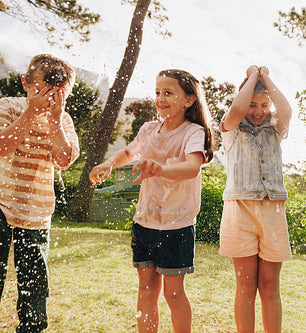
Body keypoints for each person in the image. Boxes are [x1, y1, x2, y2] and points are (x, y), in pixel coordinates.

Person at [89, 69, 213, 333]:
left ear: (188, 100)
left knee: (174, 294)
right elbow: (128, 152)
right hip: (144, 223)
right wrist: (110, 163)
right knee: (146, 290)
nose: (160, 98)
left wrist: (160, 169)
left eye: (168, 93)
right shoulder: (148, 130)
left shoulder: (193, 132)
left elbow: (192, 167)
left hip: (176, 226)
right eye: (158, 92)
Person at [0, 54, 79, 332]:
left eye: (59, 95)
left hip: (36, 212)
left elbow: (64, 159)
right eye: (43, 91)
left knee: (35, 289)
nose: (50, 100)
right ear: (25, 84)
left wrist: (55, 120)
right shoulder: (8, 106)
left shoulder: (64, 121)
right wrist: (30, 113)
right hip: (0, 204)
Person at [218, 65, 292, 333]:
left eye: (263, 105)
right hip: (240, 210)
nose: (258, 111)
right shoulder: (231, 129)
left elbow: (285, 110)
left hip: (272, 211)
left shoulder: (275, 128)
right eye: (252, 104)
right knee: (246, 284)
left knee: (270, 286)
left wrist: (266, 78)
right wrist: (251, 76)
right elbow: (237, 111)